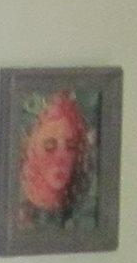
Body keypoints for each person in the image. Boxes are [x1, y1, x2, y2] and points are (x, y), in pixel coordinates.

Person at [16, 90, 92, 225]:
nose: (61, 158)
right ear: (31, 150)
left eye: (71, 146)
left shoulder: (83, 207)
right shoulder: (18, 208)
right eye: (49, 147)